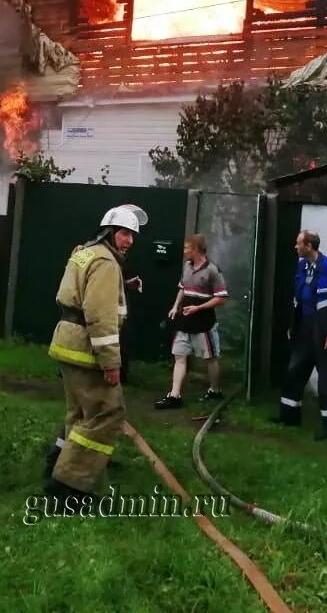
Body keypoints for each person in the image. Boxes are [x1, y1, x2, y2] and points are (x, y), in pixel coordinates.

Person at [42, 203, 147, 500]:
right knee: (106, 413)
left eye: (133, 236)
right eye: (125, 233)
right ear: (110, 231)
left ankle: (56, 464)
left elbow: (81, 292)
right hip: (87, 350)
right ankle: (70, 488)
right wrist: (111, 362)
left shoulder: (85, 253)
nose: (129, 241)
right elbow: (100, 315)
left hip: (67, 342)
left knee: (79, 413)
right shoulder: (106, 263)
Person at [270, 229, 327, 440]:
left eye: (298, 243)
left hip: (322, 329)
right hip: (303, 326)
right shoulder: (301, 265)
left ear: (309, 246)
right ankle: (289, 416)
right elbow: (298, 299)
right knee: (294, 370)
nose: (295, 247)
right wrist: (293, 325)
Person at [154, 234, 227, 409]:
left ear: (195, 249)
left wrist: (198, 308)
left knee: (210, 358)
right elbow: (182, 288)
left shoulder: (212, 270)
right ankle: (175, 395)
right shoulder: (187, 267)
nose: (185, 251)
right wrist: (175, 306)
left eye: (187, 248)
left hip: (204, 323)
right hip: (184, 322)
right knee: (179, 356)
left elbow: (221, 297)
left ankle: (214, 390)